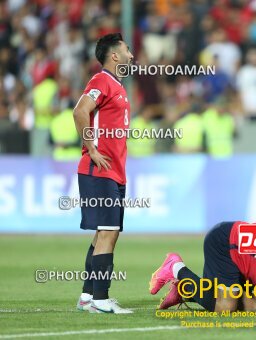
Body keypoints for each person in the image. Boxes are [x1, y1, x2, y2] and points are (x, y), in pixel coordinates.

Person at [73, 33, 133, 314]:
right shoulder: (101, 81)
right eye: (127, 50)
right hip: (100, 171)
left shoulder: (117, 86)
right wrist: (91, 149)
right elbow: (79, 111)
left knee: (103, 234)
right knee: (109, 232)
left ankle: (88, 296)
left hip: (114, 172)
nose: (132, 55)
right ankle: (101, 298)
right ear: (115, 56)